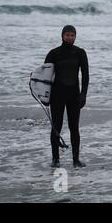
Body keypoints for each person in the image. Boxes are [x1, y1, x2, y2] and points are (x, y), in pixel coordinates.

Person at [45, 25, 89, 168]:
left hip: (74, 96)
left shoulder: (80, 53)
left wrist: (83, 94)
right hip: (57, 95)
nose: (70, 37)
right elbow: (45, 76)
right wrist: (44, 95)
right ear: (62, 36)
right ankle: (55, 159)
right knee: (56, 127)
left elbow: (86, 76)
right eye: (67, 35)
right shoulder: (54, 53)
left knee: (74, 127)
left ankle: (76, 160)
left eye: (72, 35)